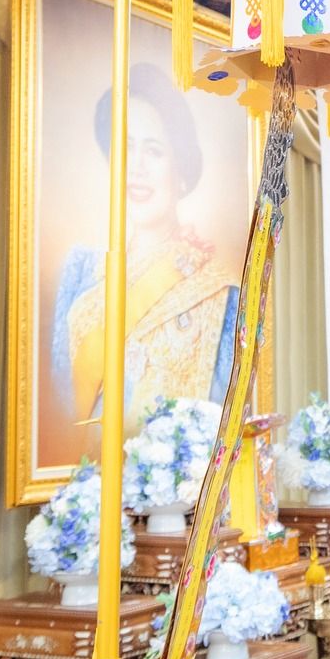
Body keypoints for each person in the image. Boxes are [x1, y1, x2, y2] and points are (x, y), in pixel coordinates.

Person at [52, 65, 240, 426]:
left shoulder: (219, 293)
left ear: (181, 173)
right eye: (126, 148)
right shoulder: (80, 272)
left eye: (154, 151)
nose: (135, 167)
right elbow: (60, 409)